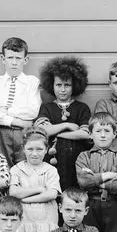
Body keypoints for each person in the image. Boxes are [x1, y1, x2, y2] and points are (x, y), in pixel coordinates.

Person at [75, 112, 117, 232]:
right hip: (91, 205)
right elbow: (83, 181)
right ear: (90, 133)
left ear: (114, 134)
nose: (102, 135)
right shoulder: (84, 156)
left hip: (114, 204)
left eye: (107, 131)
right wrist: (107, 175)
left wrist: (96, 180)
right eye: (98, 131)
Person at [34, 55, 93, 189]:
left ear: (75, 86)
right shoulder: (47, 107)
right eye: (58, 85)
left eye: (67, 85)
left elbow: (85, 134)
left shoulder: (81, 108)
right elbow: (42, 132)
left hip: (76, 160)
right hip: (51, 160)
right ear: (52, 85)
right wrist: (67, 125)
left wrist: (57, 133)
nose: (62, 89)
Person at [0, 37, 42, 167]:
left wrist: (6, 110)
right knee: (3, 165)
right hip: (1, 132)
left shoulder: (32, 82)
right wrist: (16, 121)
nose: (14, 62)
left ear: (25, 60)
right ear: (3, 59)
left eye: (18, 58)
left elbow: (32, 111)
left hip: (24, 132)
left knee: (25, 166)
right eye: (10, 58)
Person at [9, 129, 61, 232]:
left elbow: (51, 194)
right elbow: (14, 192)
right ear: (24, 149)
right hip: (25, 220)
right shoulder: (17, 169)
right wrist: (38, 188)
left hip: (46, 219)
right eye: (30, 149)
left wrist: (25, 199)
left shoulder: (50, 170)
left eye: (39, 149)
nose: (34, 153)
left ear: (46, 149)